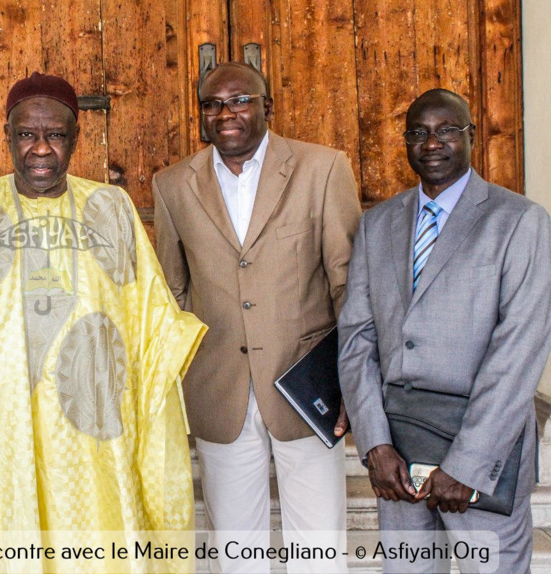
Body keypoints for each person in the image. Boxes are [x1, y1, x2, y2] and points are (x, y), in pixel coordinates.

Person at [0, 71, 206, 573]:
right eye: (26, 135)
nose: (40, 150)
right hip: (4, 432)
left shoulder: (111, 208)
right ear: (7, 137)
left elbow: (147, 315)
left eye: (54, 135)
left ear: (75, 139)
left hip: (93, 435)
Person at [153, 61, 361, 573]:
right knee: (236, 547)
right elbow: (171, 291)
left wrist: (355, 382)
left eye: (240, 100)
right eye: (212, 104)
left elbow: (348, 283)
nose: (226, 113)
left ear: (267, 106)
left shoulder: (323, 168)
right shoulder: (173, 184)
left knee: (318, 546)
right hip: (219, 387)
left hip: (308, 384)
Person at [338, 89, 551, 573]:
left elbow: (519, 350)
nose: (431, 143)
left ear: (471, 137)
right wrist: (375, 445)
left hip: (482, 450)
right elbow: (356, 339)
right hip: (400, 452)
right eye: (418, 132)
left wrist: (467, 464)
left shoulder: (520, 221)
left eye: (446, 130)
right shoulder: (378, 225)